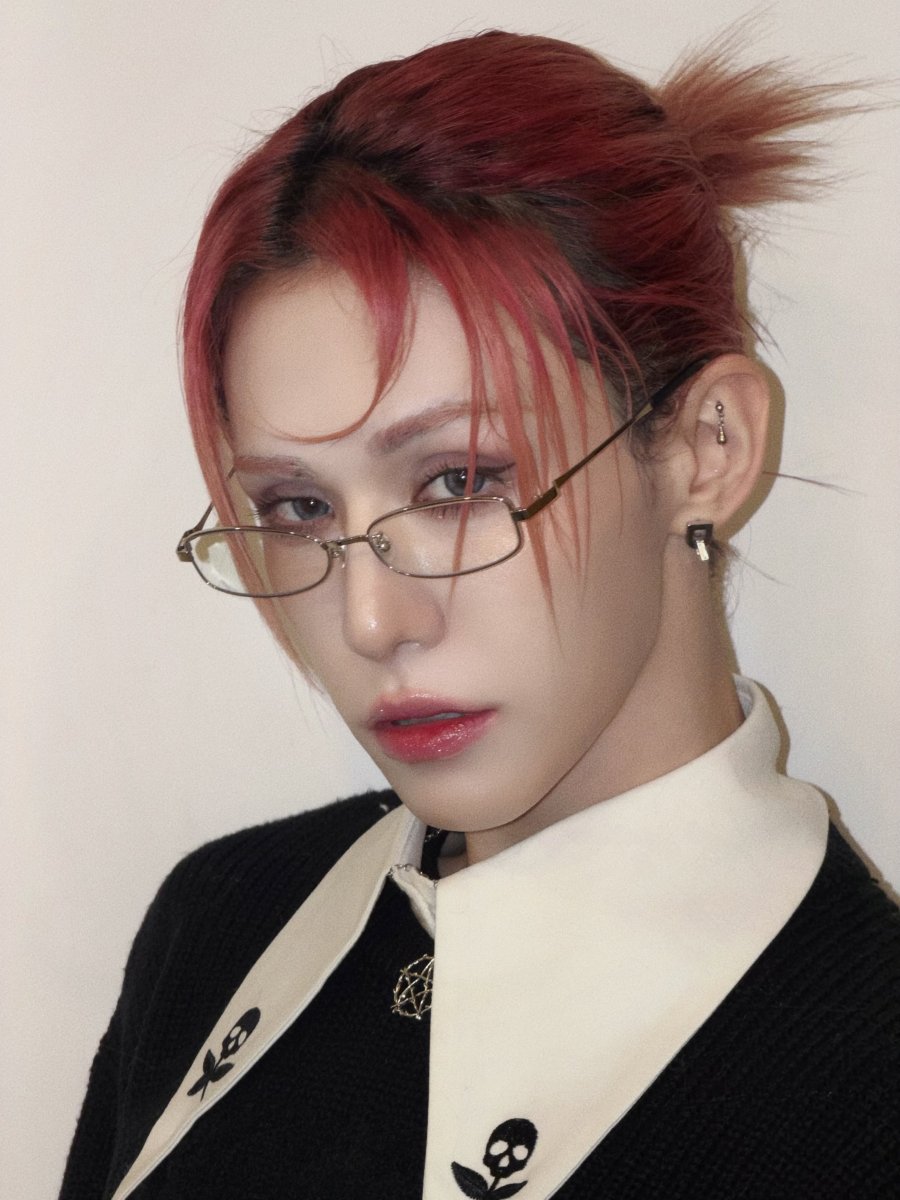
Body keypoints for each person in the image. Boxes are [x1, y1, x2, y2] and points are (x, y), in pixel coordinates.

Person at [60, 28, 899, 1200]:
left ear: (707, 449)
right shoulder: (223, 922)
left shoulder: (864, 1085)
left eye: (458, 481)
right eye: (298, 507)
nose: (370, 621)